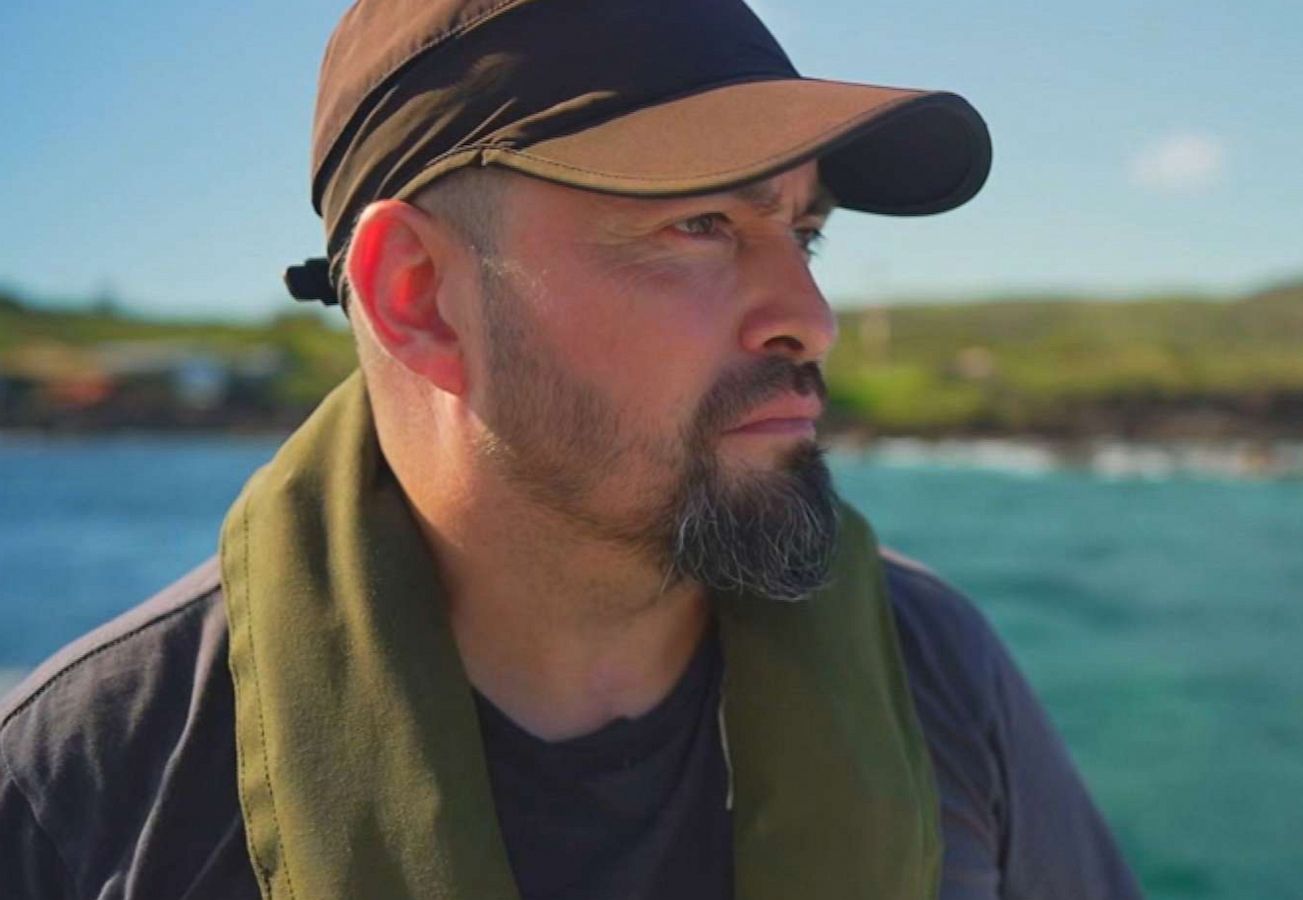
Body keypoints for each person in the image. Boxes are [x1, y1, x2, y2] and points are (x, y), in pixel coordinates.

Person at [0, 1, 1143, 897]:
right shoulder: (84, 789)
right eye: (701, 226)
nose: (809, 313)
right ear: (419, 298)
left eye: (802, 231)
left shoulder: (934, 667)